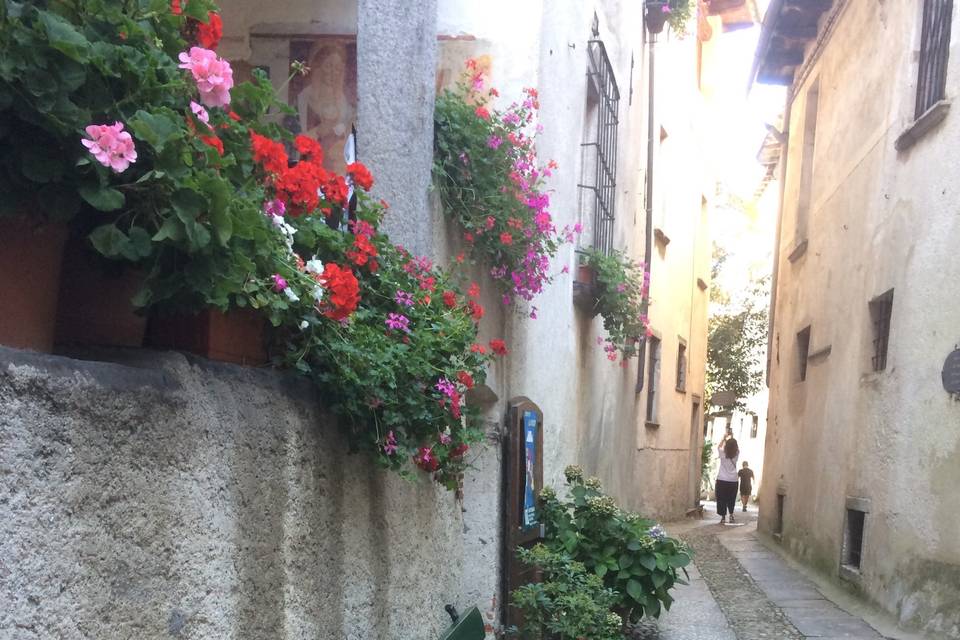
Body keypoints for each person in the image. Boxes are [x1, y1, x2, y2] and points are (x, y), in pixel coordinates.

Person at [715, 431, 740, 524]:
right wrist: (731, 438)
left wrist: (724, 438)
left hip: (722, 479)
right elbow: (735, 447)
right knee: (731, 498)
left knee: (722, 499)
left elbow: (718, 447)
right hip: (733, 480)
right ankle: (731, 515)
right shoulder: (736, 454)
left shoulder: (722, 453)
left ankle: (723, 517)